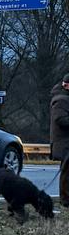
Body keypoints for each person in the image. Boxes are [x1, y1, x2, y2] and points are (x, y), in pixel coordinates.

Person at [49, 74, 69, 205]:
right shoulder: (61, 100)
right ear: (66, 84)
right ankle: (65, 199)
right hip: (64, 142)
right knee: (67, 172)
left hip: (65, 141)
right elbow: (60, 119)